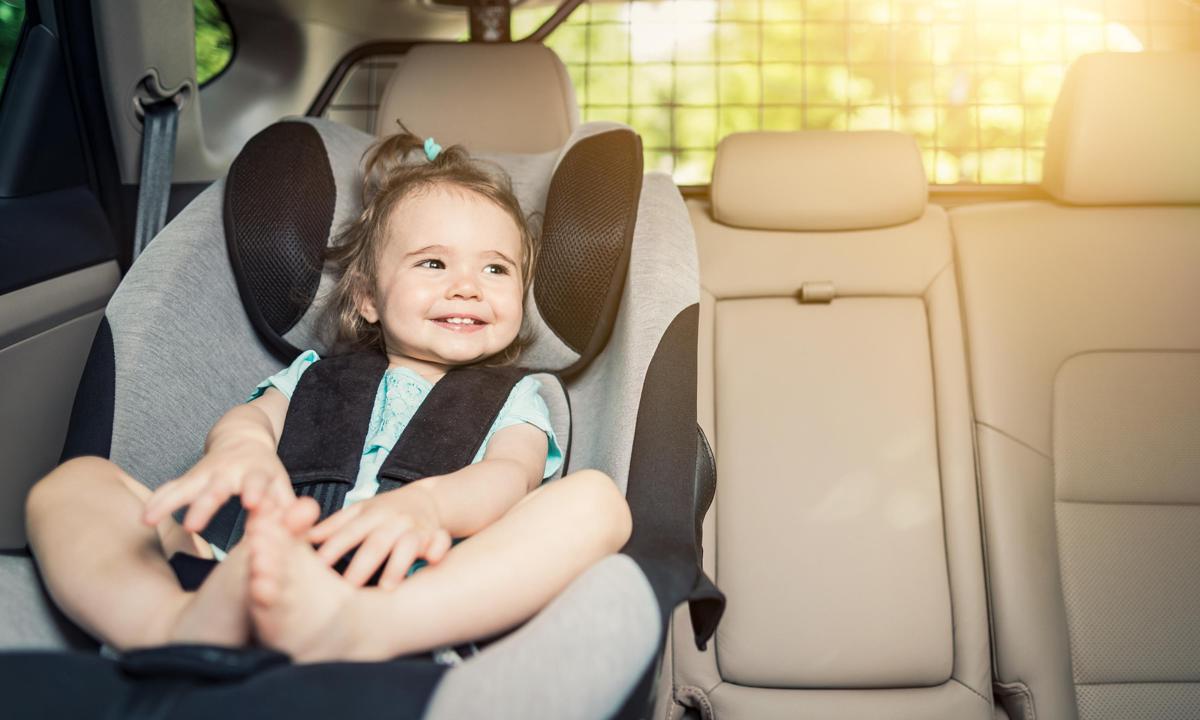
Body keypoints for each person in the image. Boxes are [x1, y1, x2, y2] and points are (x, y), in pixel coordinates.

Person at [25, 127, 633, 664]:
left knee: (598, 502)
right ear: (367, 296)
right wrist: (242, 453)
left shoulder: (518, 395)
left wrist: (431, 509)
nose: (469, 287)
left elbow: (510, 476)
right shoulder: (315, 374)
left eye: (496, 270)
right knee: (73, 485)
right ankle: (172, 625)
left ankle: (361, 629)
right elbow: (252, 419)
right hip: (252, 569)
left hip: (416, 591)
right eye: (432, 264)